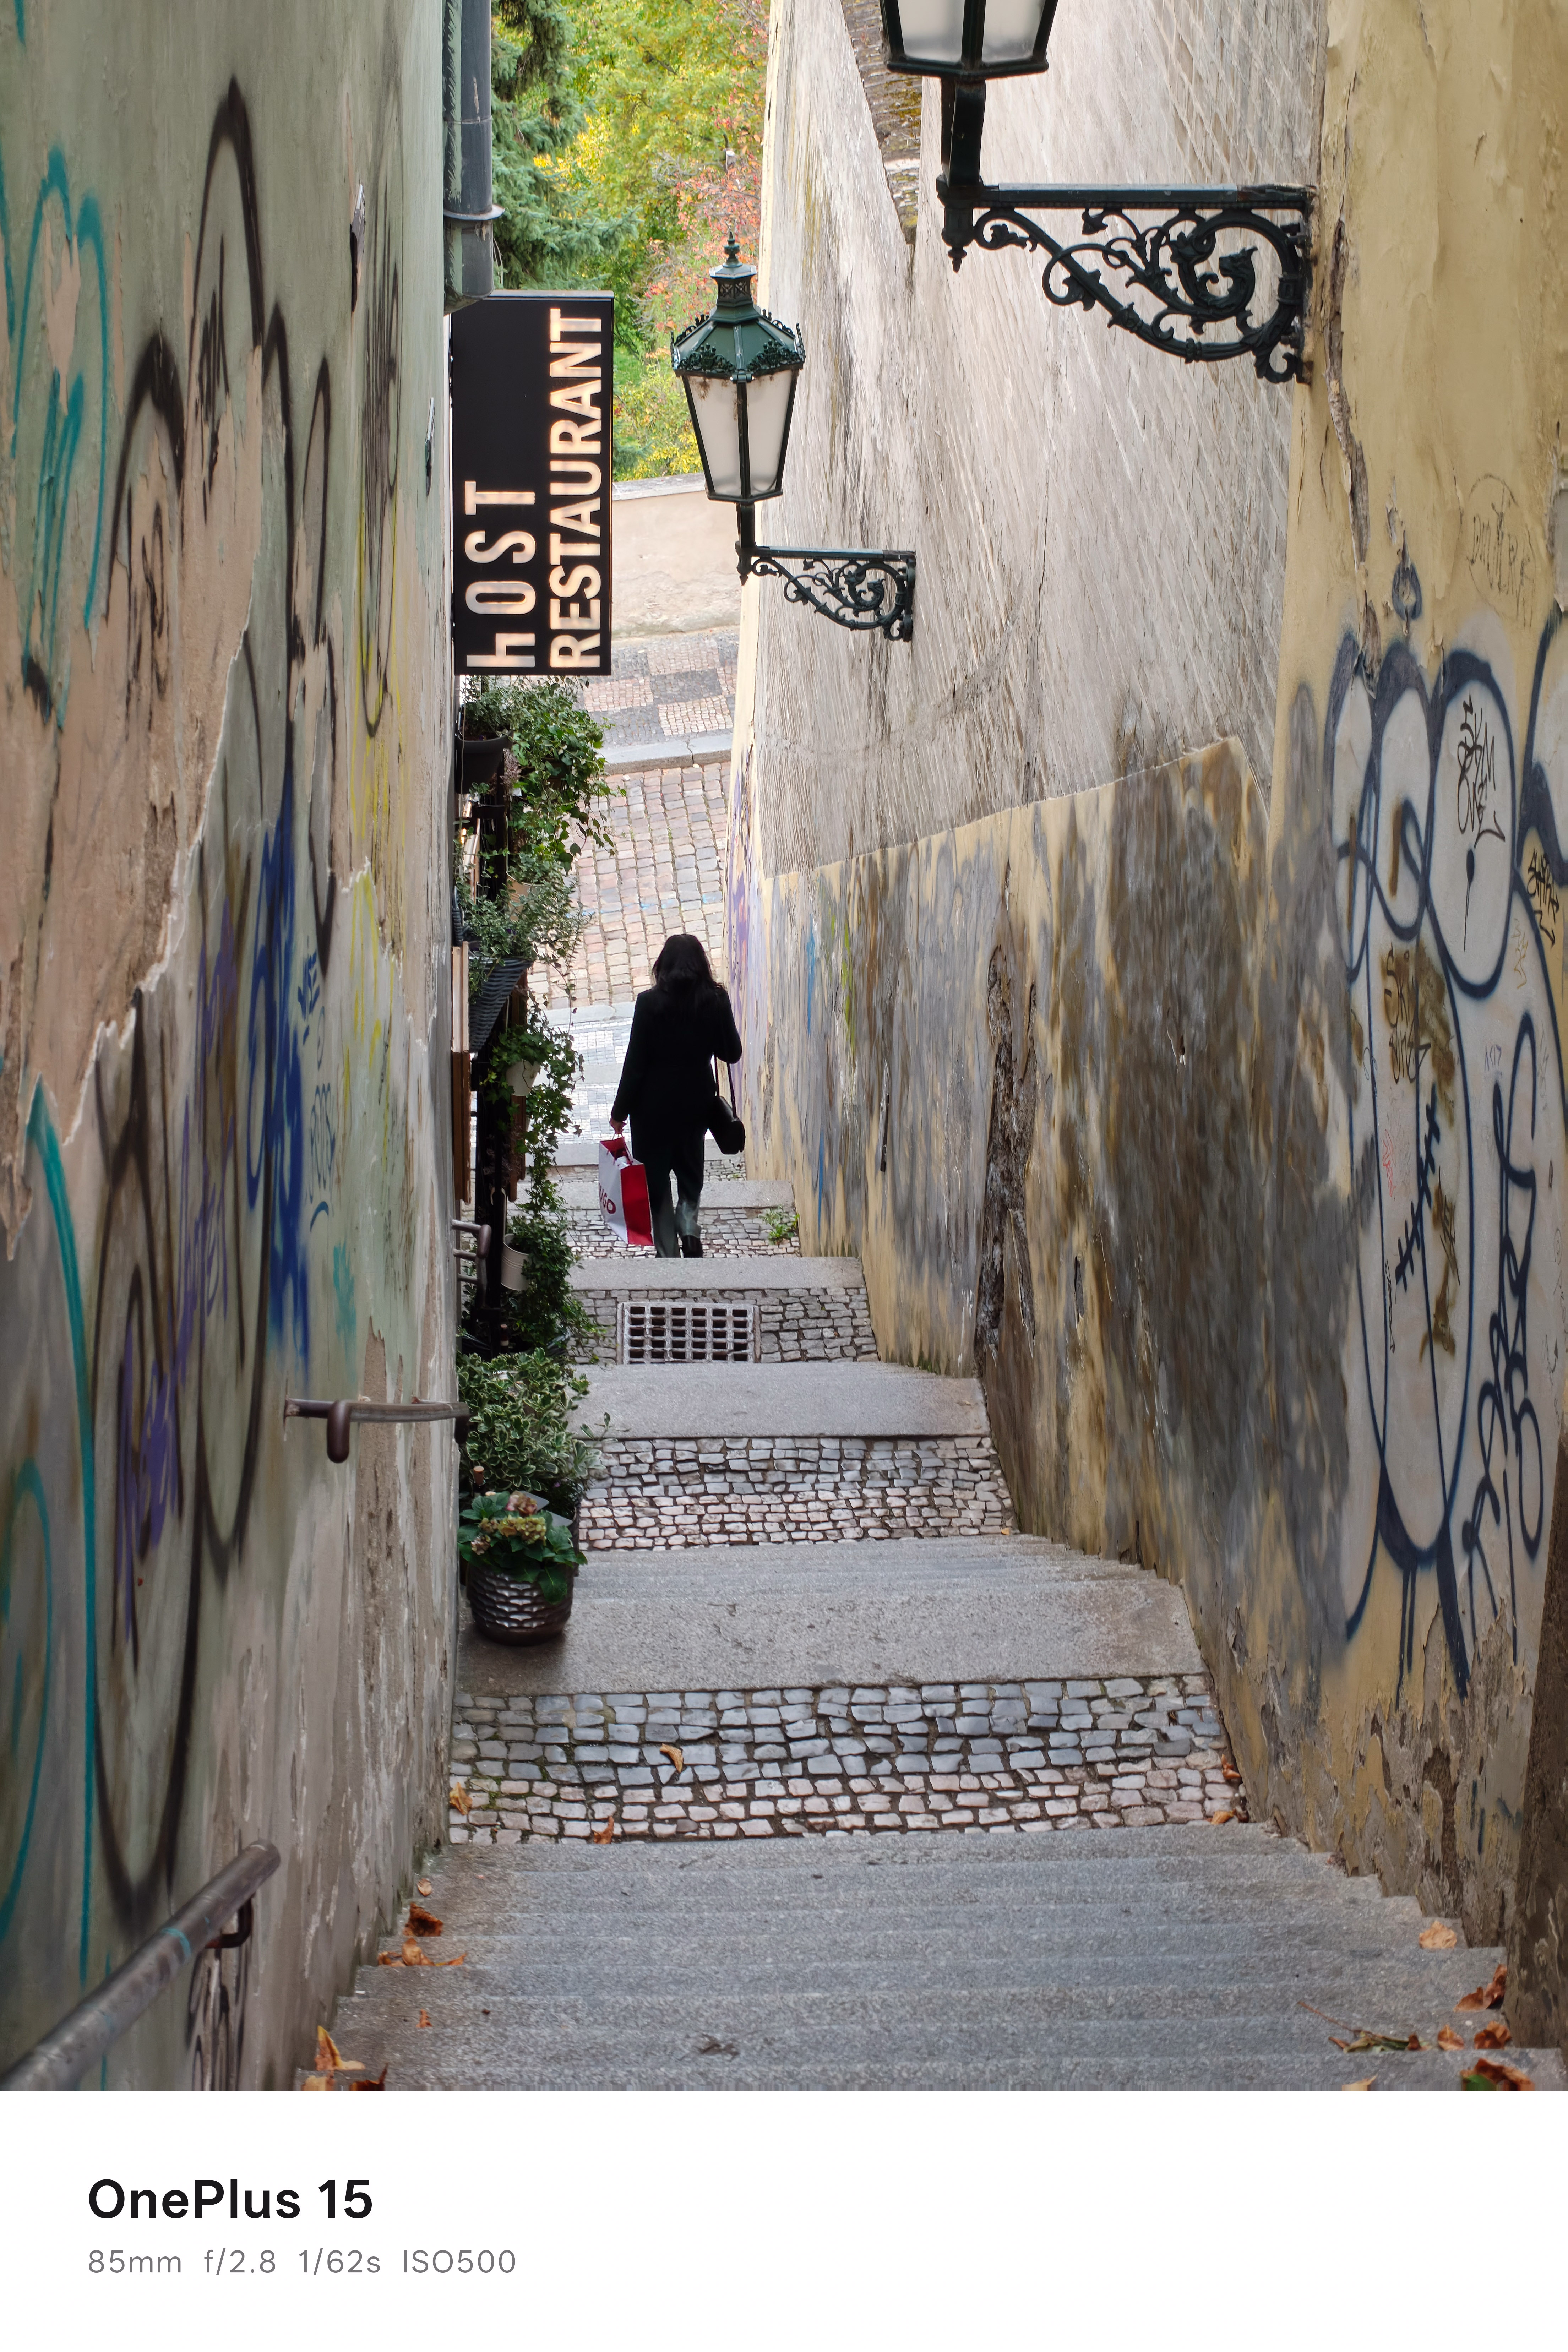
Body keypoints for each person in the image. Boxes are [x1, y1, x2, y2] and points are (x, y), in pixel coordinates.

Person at [610, 934, 741, 1257]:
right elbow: (732, 1053)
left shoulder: (648, 1004)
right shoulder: (715, 1001)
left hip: (651, 1113)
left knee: (656, 1183)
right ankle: (688, 1227)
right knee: (690, 1170)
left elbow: (636, 1064)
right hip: (695, 1107)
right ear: (702, 966)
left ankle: (667, 1253)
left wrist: (619, 1112)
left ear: (663, 966)